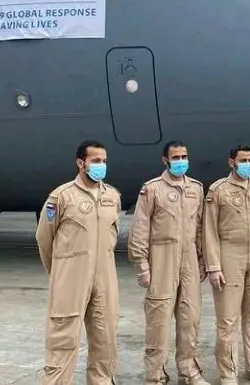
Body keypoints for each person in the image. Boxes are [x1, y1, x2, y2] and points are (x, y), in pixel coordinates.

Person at [35, 140, 122, 385]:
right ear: (81, 163)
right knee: (63, 339)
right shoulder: (61, 197)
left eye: (104, 161)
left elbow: (112, 235)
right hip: (71, 278)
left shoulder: (112, 196)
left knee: (106, 338)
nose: (101, 165)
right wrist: (60, 273)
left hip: (104, 277)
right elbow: (44, 238)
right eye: (96, 161)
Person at [127, 140, 210, 385]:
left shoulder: (196, 188)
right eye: (176, 157)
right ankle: (155, 376)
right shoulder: (152, 189)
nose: (181, 161)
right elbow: (140, 229)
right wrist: (142, 265)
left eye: (184, 156)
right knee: (158, 322)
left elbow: (201, 228)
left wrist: (202, 259)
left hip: (189, 262)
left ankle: (189, 371)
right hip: (162, 259)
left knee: (190, 318)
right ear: (165, 160)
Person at [202, 145, 250, 385]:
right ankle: (228, 372)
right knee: (228, 318)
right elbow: (209, 231)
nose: (247, 164)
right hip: (229, 253)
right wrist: (213, 266)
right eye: (243, 160)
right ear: (231, 162)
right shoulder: (218, 190)